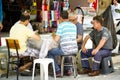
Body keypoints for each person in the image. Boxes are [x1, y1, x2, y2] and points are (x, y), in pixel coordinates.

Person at [48, 11, 78, 77]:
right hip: (74, 49)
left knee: (49, 52)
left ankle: (57, 71)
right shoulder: (74, 25)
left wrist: (49, 45)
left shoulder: (61, 25)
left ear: (61, 18)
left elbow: (56, 40)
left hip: (65, 50)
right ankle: (68, 70)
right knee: (65, 49)